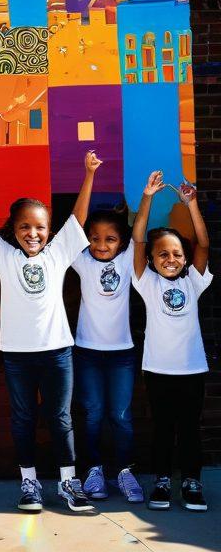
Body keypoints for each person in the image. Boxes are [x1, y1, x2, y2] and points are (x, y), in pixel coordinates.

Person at [0, 152, 99, 514]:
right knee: (23, 418)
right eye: (24, 227)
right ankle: (30, 483)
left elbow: (78, 219)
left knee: (61, 417)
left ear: (49, 231)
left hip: (57, 352)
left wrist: (88, 174)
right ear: (14, 229)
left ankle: (68, 482)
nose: (32, 233)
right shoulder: (5, 256)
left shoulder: (58, 253)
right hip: (18, 355)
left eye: (39, 227)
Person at [132, 172, 212, 512]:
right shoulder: (146, 283)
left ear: (185, 257)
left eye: (177, 253)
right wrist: (147, 198)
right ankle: (163, 481)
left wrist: (191, 204)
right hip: (158, 370)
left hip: (192, 370)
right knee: (163, 428)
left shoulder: (194, 281)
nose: (171, 259)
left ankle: (192, 481)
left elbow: (203, 244)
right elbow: (137, 240)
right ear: (151, 260)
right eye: (162, 254)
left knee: (190, 428)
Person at [70, 205, 143, 503]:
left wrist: (146, 198)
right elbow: (74, 226)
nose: (101, 245)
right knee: (92, 415)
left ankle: (125, 472)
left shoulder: (127, 260)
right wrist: (88, 180)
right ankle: (93, 471)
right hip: (87, 353)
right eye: (95, 238)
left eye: (110, 239)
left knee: (121, 416)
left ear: (122, 242)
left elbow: (139, 232)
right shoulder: (82, 261)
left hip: (121, 355)